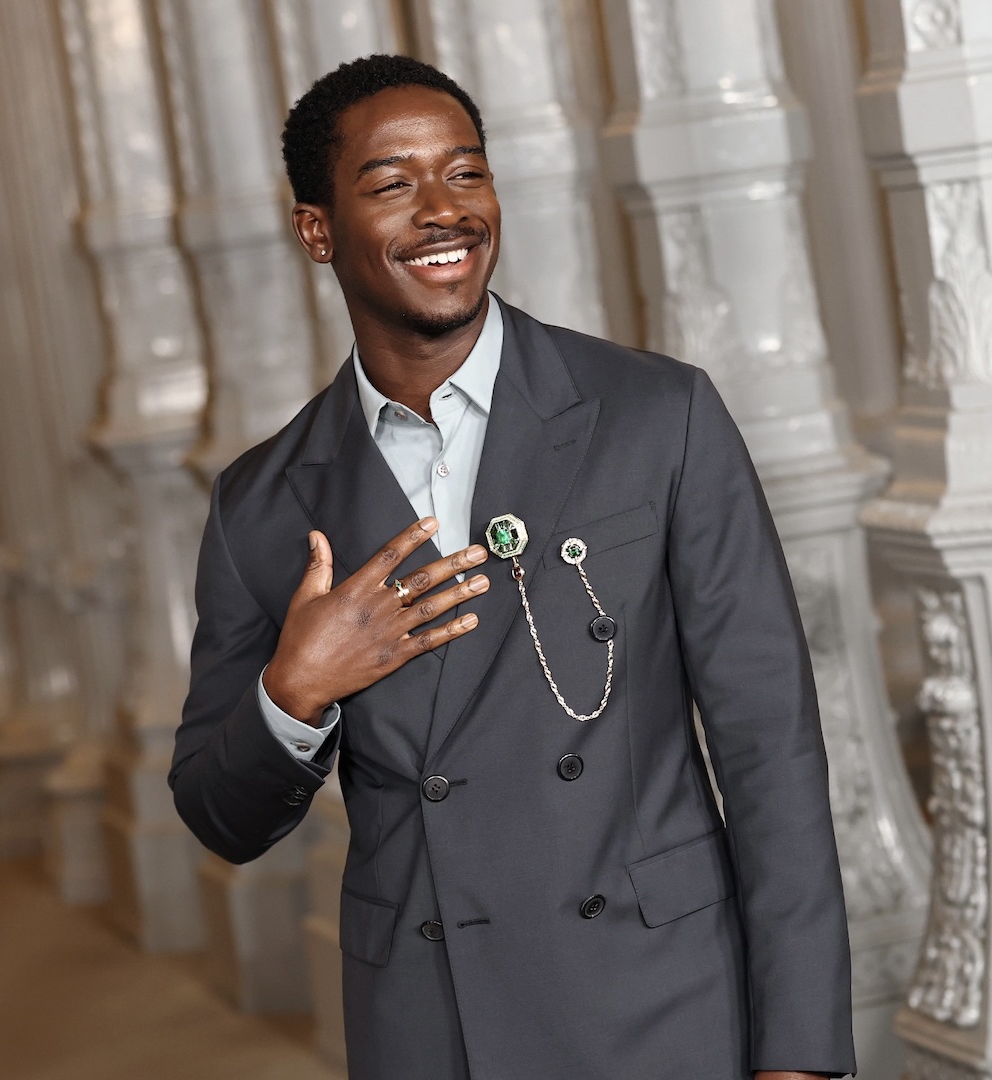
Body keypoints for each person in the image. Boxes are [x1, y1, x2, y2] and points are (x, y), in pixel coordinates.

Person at [168, 53, 853, 1080]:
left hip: (658, 998)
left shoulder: (656, 417)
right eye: (393, 183)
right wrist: (295, 689)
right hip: (436, 1023)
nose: (444, 211)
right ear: (318, 230)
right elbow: (219, 816)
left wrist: (797, 1054)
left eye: (467, 173)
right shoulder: (264, 501)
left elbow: (771, 749)